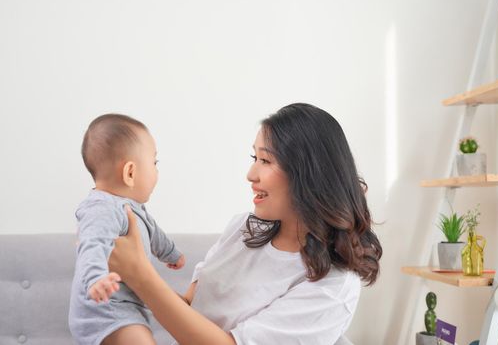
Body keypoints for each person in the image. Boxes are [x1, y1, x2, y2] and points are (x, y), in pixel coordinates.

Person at [109, 103, 382, 345]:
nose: (250, 174)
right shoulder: (243, 229)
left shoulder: (334, 286)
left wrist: (141, 275)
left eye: (265, 160)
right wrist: (124, 279)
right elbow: (191, 306)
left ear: (308, 174)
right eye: (255, 158)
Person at [69, 114, 186, 345]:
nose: (156, 171)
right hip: (105, 309)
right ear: (130, 173)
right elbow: (92, 245)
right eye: (154, 163)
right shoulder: (101, 208)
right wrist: (95, 279)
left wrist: (172, 253)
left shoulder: (134, 209)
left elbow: (155, 234)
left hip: (127, 307)